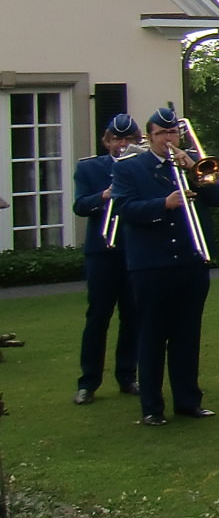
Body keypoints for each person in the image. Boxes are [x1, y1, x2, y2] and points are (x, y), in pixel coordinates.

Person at [110, 105, 219, 426]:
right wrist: (164, 203)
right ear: (149, 137)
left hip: (191, 262)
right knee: (152, 336)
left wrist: (194, 170)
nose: (168, 138)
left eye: (172, 132)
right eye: (161, 133)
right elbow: (124, 207)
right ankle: (152, 407)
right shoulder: (130, 168)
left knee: (187, 335)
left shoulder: (192, 164)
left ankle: (188, 401)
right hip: (151, 265)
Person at [72, 112, 141, 404]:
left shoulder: (142, 167)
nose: (122, 145)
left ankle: (127, 376)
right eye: (117, 139)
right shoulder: (89, 168)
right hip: (102, 251)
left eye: (128, 139)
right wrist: (105, 195)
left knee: (132, 316)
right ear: (106, 141)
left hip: (134, 250)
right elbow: (80, 206)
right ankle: (88, 382)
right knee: (98, 316)